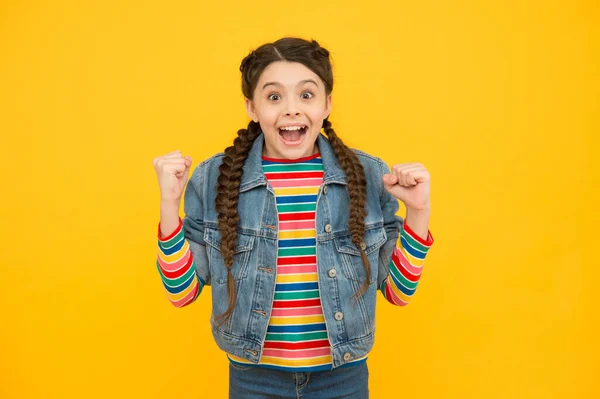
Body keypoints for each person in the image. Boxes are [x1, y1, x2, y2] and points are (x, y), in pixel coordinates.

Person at [152, 37, 434, 399]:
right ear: (251, 107)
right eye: (273, 97)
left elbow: (398, 292)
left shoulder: (367, 175)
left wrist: (418, 212)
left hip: (343, 379)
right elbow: (181, 292)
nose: (290, 109)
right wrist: (168, 203)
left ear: (327, 104)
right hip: (255, 379)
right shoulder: (214, 178)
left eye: (306, 94)